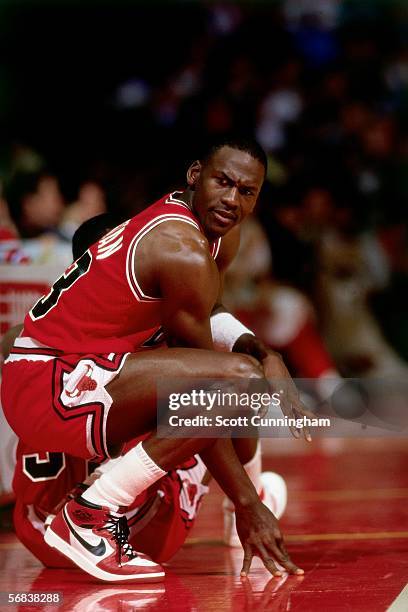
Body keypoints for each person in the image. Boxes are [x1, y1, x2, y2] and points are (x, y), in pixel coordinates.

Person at [2, 137, 311, 583]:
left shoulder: (215, 234)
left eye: (246, 191)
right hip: (51, 390)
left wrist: (263, 351)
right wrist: (248, 503)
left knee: (236, 383)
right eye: (222, 182)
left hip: (64, 390)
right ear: (194, 175)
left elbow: (209, 336)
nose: (231, 199)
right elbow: (214, 399)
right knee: (234, 385)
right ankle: (91, 512)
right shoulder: (180, 249)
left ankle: (106, 506)